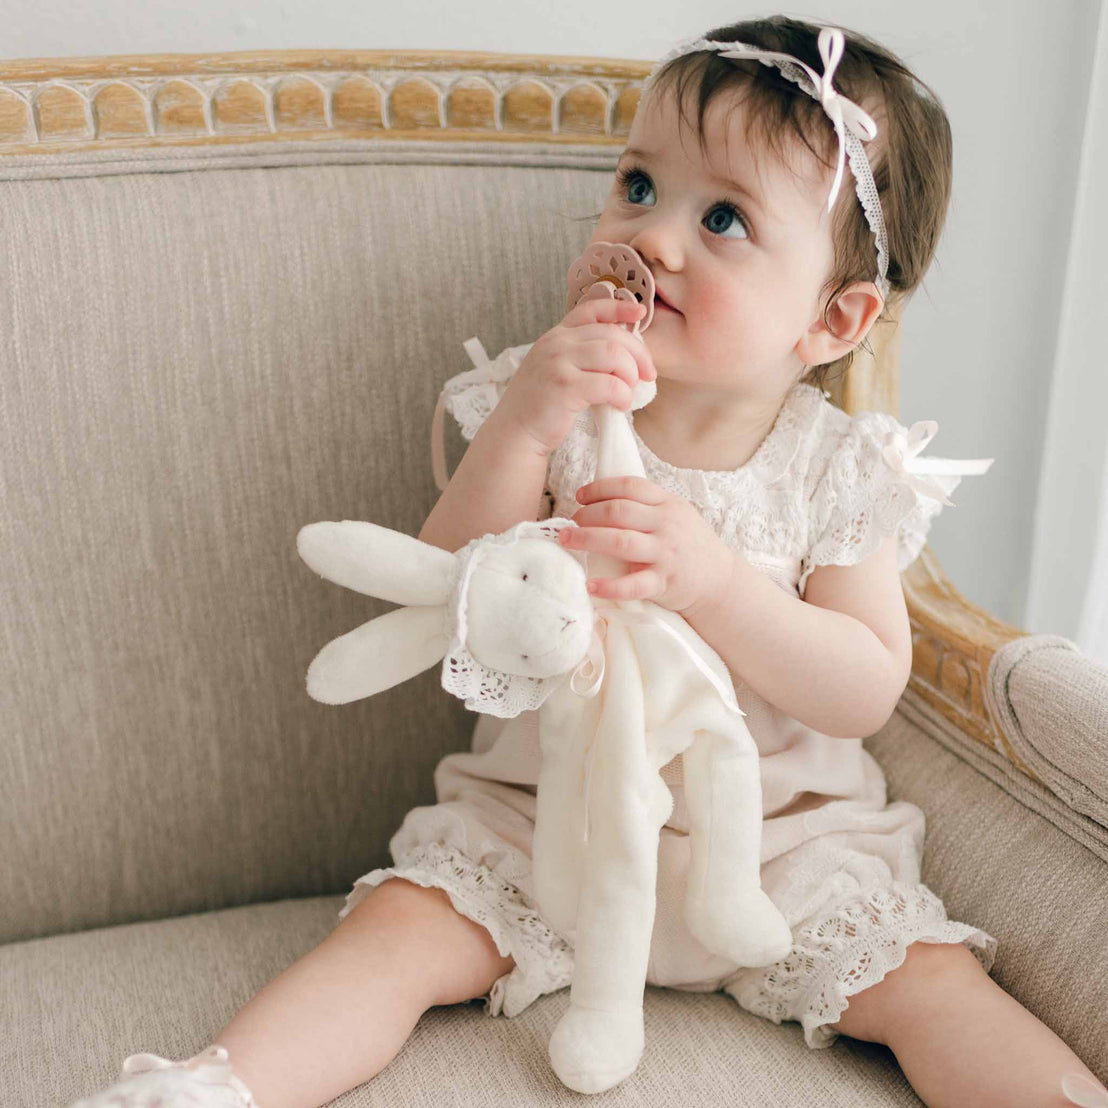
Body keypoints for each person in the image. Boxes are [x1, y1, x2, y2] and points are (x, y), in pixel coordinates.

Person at [69, 15, 1106, 1108]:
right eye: (638, 188)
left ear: (833, 319)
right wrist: (522, 423)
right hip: (538, 823)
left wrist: (714, 583)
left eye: (723, 218)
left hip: (781, 851)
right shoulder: (544, 402)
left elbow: (862, 686)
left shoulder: (837, 466)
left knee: (934, 988)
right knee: (395, 935)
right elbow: (442, 590)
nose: (655, 238)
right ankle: (207, 1089)